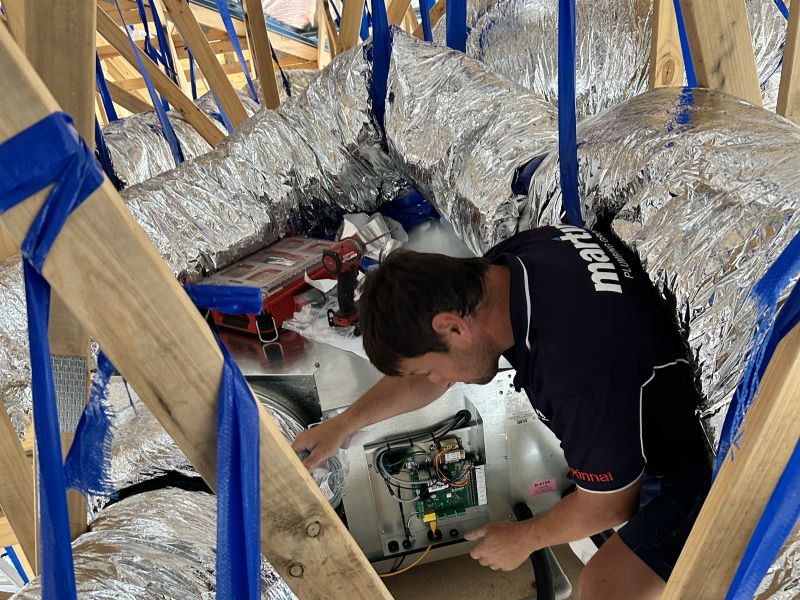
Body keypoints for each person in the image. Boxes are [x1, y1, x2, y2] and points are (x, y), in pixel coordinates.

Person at [292, 224, 711, 599]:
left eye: (431, 369)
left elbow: (608, 506)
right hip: (638, 399)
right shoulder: (514, 263)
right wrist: (342, 425)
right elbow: (426, 376)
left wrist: (525, 538)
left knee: (605, 585)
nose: (438, 382)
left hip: (695, 465)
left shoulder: (574, 370)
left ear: (452, 327)